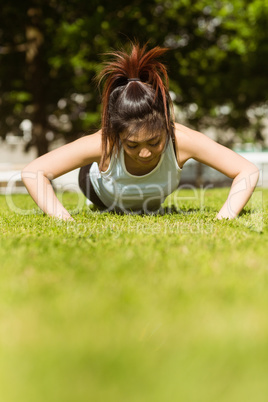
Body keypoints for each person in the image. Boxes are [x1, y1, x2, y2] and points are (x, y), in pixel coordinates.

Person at [22, 43, 259, 221]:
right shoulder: (104, 143)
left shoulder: (182, 140)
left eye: (154, 142)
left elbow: (246, 170)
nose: (145, 153)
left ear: (167, 127)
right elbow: (34, 172)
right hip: (98, 189)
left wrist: (225, 217)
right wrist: (64, 221)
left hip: (149, 199)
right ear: (117, 135)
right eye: (132, 145)